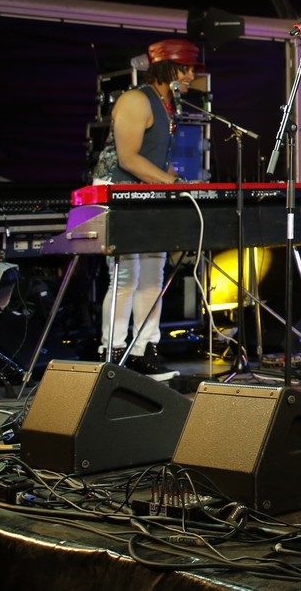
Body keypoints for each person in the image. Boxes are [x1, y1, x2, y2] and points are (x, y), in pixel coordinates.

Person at [91, 38, 200, 381]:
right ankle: (113, 351)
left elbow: (153, 159)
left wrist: (177, 181)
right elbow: (128, 159)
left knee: (153, 273)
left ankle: (144, 349)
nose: (192, 75)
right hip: (117, 191)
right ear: (168, 68)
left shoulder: (167, 105)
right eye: (186, 69)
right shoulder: (136, 99)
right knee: (126, 276)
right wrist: (173, 184)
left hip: (147, 193)